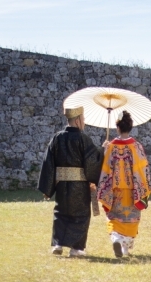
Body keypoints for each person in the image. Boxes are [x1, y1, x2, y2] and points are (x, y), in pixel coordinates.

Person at [38, 106, 103, 257]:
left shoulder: (57, 138)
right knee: (80, 214)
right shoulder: (83, 139)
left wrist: (47, 189)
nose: (84, 122)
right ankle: (77, 248)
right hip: (79, 185)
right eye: (84, 119)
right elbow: (93, 160)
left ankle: (58, 244)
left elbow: (48, 162)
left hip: (61, 184)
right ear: (78, 119)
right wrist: (103, 150)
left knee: (61, 212)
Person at [97, 111, 151, 258]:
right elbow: (143, 168)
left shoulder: (111, 146)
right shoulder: (137, 146)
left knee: (115, 217)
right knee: (131, 219)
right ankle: (125, 248)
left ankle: (116, 238)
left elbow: (106, 168)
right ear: (130, 127)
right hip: (133, 191)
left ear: (118, 128)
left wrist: (105, 150)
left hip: (115, 191)